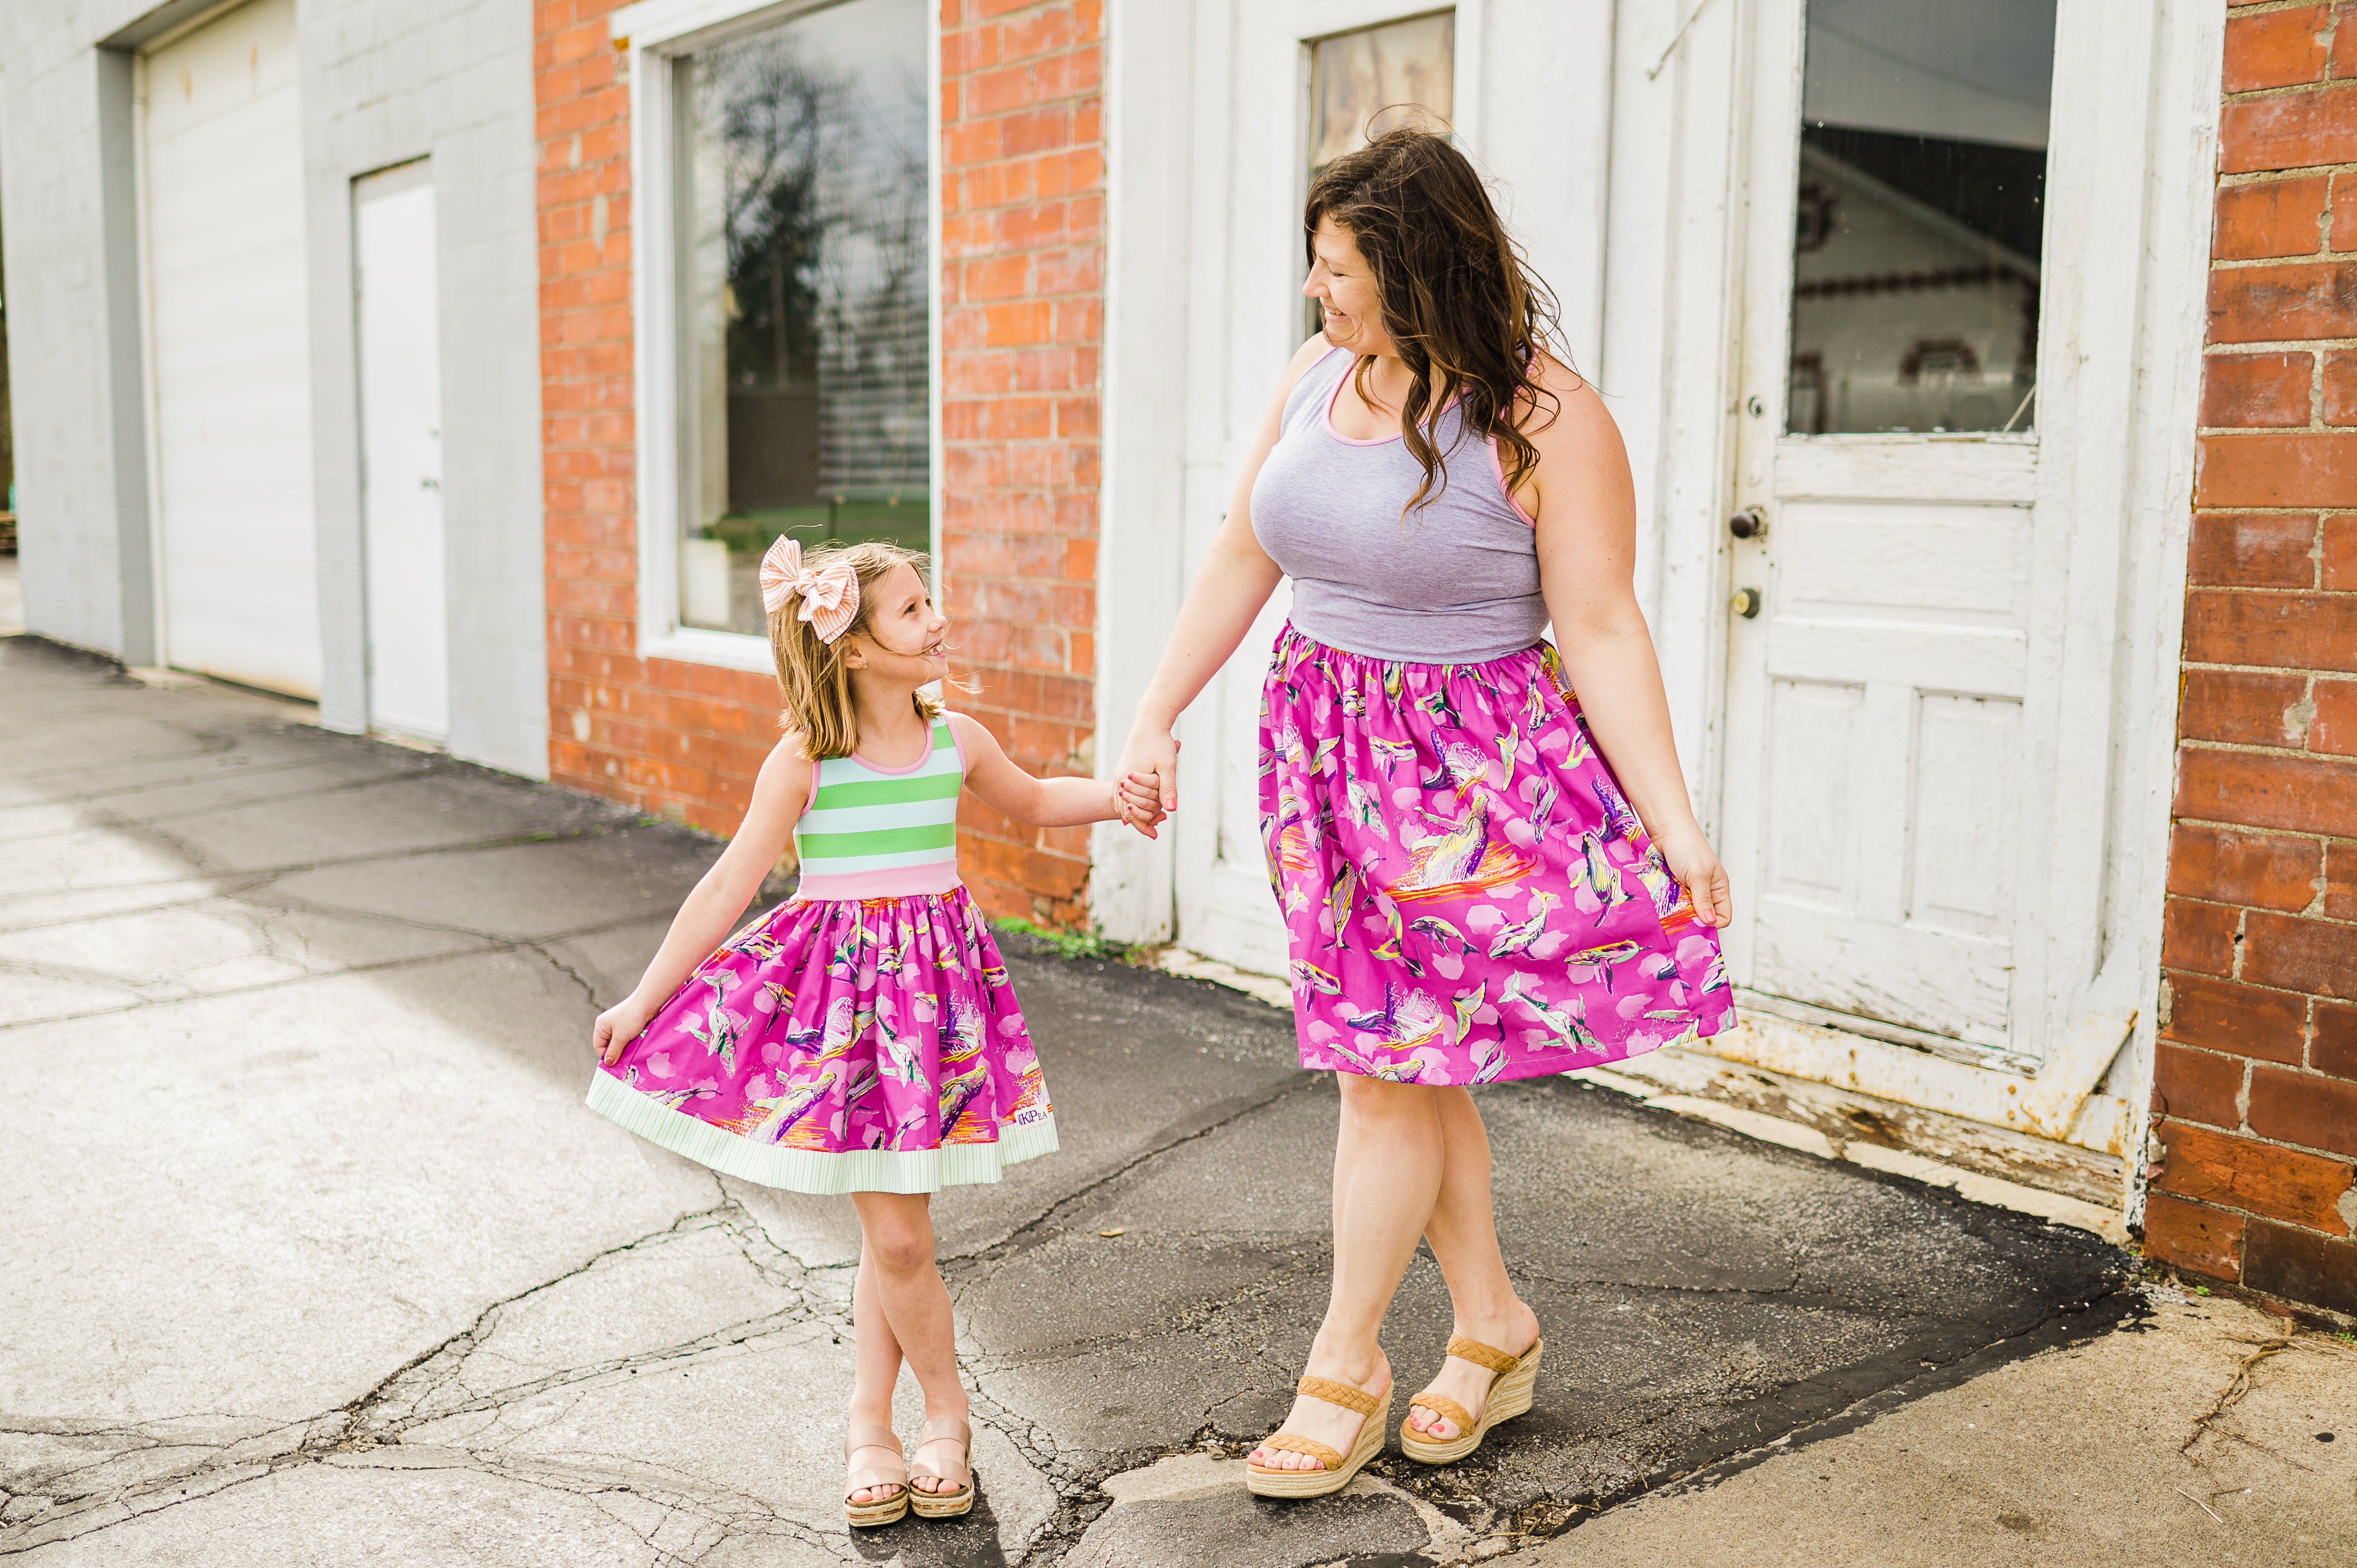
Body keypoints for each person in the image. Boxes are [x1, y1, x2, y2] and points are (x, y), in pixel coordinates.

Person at [1113, 128, 1738, 1499]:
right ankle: (1492, 1327)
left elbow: (1602, 629)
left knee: (1386, 1068)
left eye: (1335, 270)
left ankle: (1344, 1361)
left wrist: (1676, 825)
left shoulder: (1544, 422)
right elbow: (1240, 555)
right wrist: (1152, 714)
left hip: (1470, 785)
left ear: (1412, 268)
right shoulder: (1312, 379)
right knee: (1403, 1057)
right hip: (1321, 765)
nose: (1313, 295)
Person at [586, 539, 1146, 1527]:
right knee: (893, 1232)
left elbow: (1036, 801)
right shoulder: (806, 757)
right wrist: (641, 999)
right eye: (910, 611)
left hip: (927, 1018)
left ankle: (872, 1425)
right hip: (836, 1022)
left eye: (930, 603)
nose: (936, 621)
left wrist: (1122, 798)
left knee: (892, 1233)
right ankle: (940, 1413)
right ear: (851, 648)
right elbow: (729, 884)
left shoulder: (955, 740)